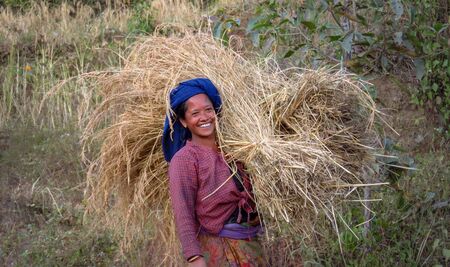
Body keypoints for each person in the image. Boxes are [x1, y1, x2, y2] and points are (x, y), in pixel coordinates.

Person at [162, 78, 265, 266]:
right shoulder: (184, 159)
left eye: (208, 110)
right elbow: (183, 211)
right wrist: (194, 257)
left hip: (251, 246)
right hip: (219, 251)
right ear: (184, 121)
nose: (204, 117)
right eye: (195, 113)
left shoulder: (236, 148)